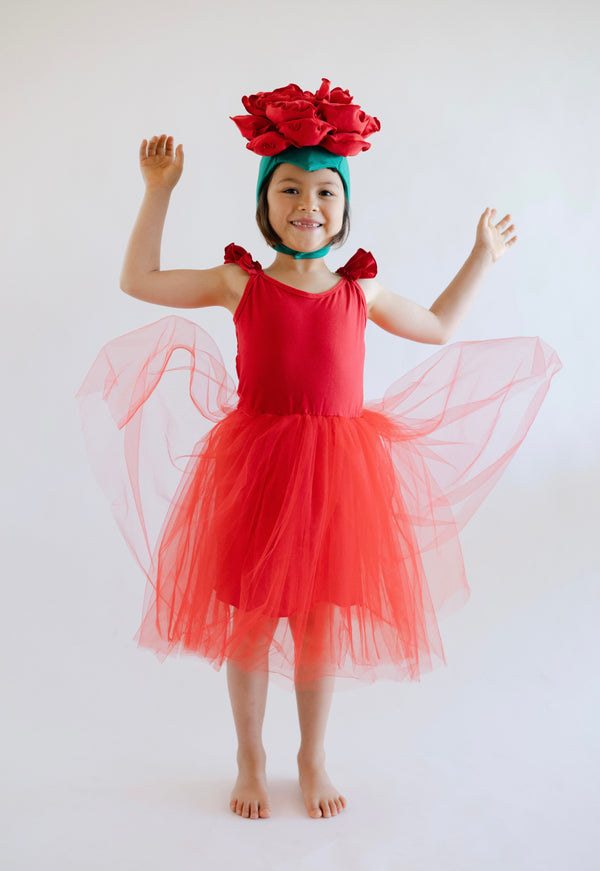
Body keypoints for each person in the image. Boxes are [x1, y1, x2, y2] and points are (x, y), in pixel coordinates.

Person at [76, 79, 562, 821]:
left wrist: (482, 255)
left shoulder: (358, 292)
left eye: (325, 191)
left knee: (317, 623)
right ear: (266, 204)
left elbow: (436, 326)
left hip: (339, 476)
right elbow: (136, 279)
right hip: (257, 469)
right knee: (247, 619)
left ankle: (312, 754)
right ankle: (250, 756)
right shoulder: (240, 284)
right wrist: (159, 191)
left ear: (345, 205)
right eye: (291, 189)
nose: (308, 203)